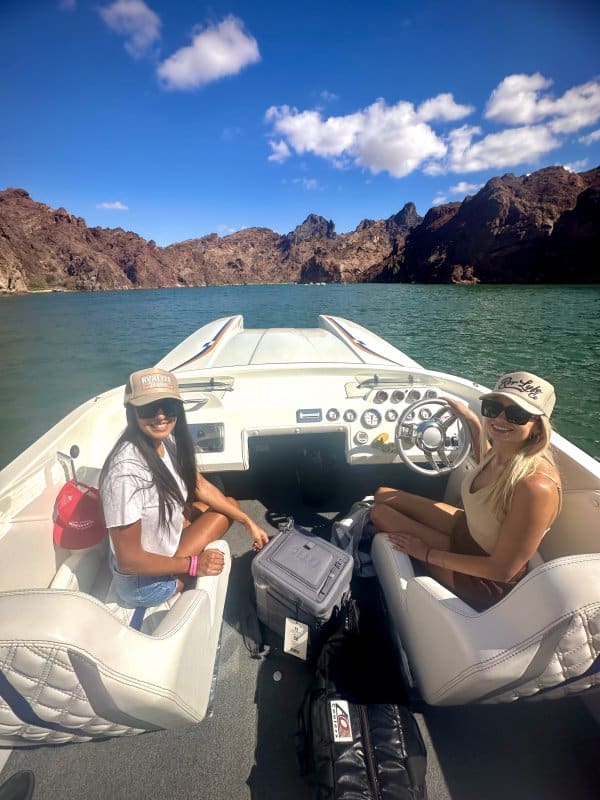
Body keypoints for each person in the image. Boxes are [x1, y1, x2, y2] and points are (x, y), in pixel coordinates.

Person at [371, 371, 562, 611]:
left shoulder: (536, 487)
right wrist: (470, 418)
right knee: (383, 494)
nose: (500, 419)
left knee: (380, 514)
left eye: (517, 414)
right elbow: (486, 459)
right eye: (493, 408)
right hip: (468, 530)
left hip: (483, 577)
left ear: (537, 427)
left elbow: (502, 570)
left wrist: (426, 553)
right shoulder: (502, 451)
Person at [99, 367, 269, 607]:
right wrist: (194, 564)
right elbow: (128, 560)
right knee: (222, 512)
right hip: (144, 584)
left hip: (156, 548)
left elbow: (199, 485)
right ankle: (178, 576)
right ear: (132, 412)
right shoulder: (124, 473)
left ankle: (180, 540)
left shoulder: (164, 440)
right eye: (149, 408)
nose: (160, 417)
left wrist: (247, 522)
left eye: (168, 407)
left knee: (224, 506)